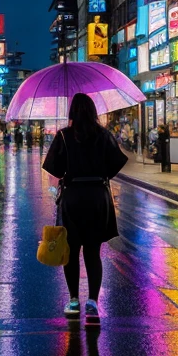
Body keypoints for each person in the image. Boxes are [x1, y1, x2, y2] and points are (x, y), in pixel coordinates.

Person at [43, 93, 127, 325]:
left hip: (72, 198)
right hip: (98, 198)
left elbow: (55, 170)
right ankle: (92, 302)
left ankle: (73, 301)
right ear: (92, 111)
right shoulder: (104, 135)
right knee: (93, 251)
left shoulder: (63, 136)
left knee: (71, 252)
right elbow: (117, 164)